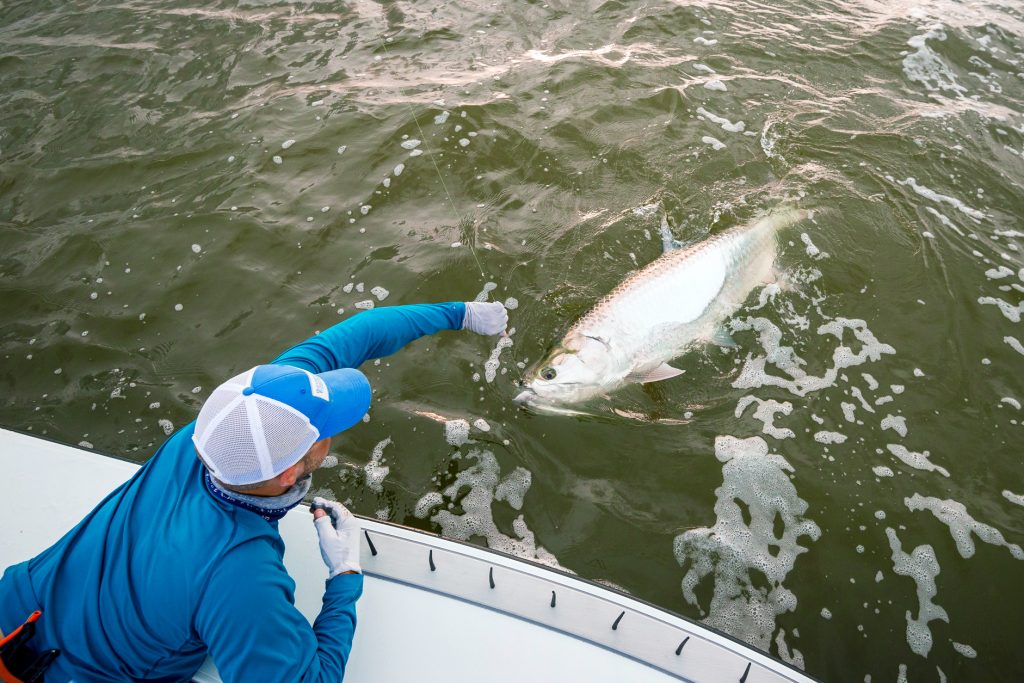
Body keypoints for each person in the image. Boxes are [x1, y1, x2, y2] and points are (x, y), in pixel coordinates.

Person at [0, 300, 508, 682]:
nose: (332, 430)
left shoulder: (213, 434)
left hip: (15, 604)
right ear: (289, 475)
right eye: (325, 428)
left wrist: (458, 313)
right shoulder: (239, 575)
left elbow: (352, 337)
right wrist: (345, 578)